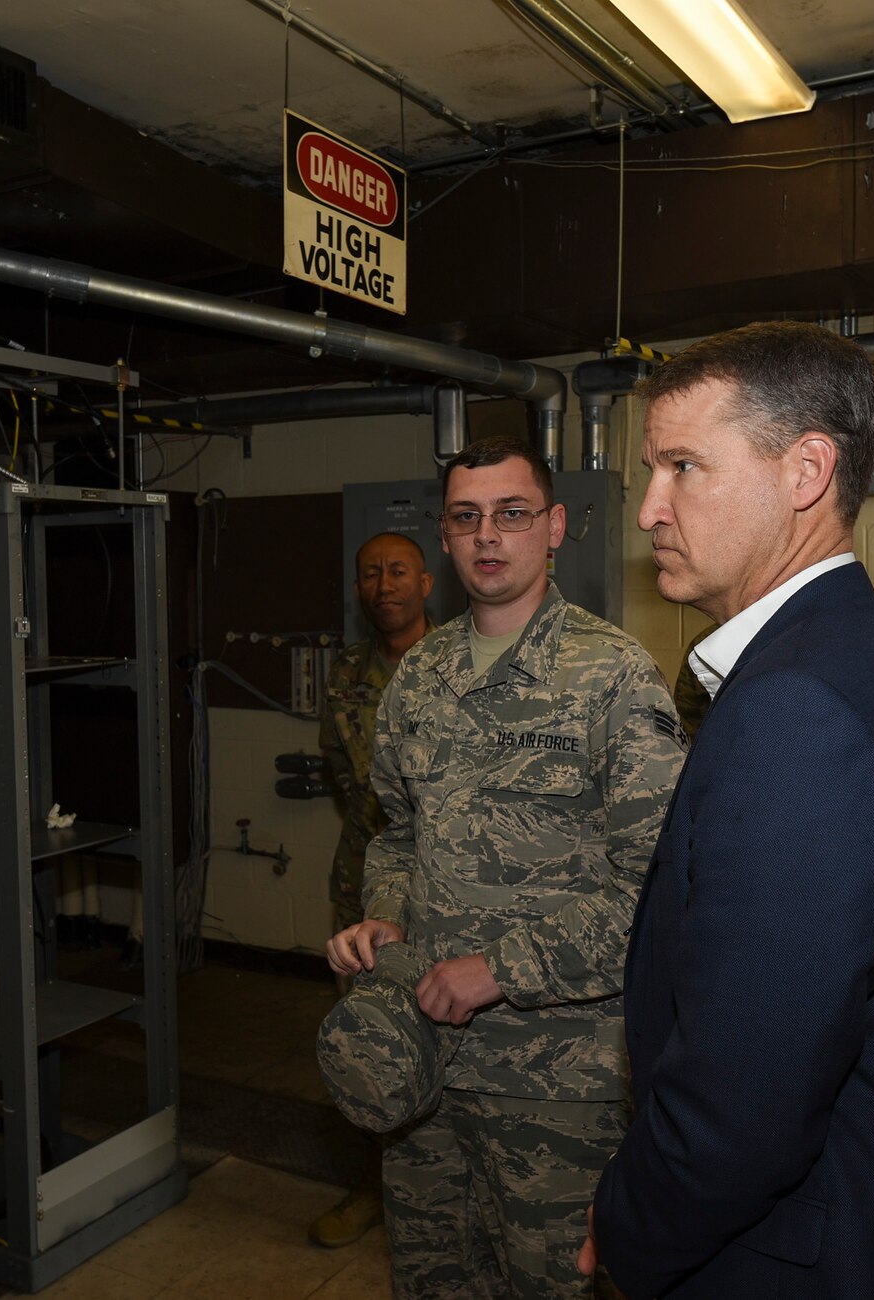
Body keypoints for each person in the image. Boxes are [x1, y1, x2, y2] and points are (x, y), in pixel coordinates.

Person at [583, 321, 874, 1299]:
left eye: (683, 466)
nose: (648, 506)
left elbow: (743, 1101)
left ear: (804, 471)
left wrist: (626, 1227)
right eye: (649, 471)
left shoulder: (799, 709)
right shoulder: (861, 658)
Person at [325, 434, 686, 1299]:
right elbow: (396, 833)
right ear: (446, 538)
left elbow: (655, 890)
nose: (490, 536)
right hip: (423, 1068)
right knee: (432, 1279)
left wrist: (501, 971)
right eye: (467, 517)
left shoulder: (614, 679)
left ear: (553, 527)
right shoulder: (421, 676)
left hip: (557, 1081)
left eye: (512, 515)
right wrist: (388, 915)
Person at [309, 530, 435, 1249]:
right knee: (364, 1043)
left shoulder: (453, 664)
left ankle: (431, 1193)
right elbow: (340, 769)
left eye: (395, 572)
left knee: (435, 1038)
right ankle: (370, 1188)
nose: (382, 586)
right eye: (368, 576)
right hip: (359, 885)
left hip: (440, 888)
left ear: (425, 582)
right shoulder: (347, 671)